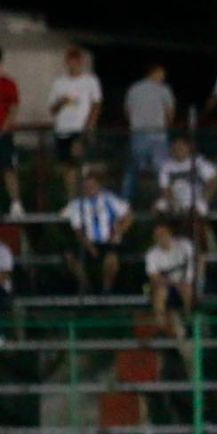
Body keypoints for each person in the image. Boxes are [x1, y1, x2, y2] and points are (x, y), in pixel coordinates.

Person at [61, 173, 131, 293]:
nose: (89, 189)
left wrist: (118, 232)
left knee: (111, 260)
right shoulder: (77, 204)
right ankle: (86, 287)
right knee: (70, 257)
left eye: (92, 186)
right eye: (86, 186)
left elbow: (129, 215)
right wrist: (88, 245)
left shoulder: (109, 199)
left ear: (99, 186)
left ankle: (106, 290)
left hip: (108, 241)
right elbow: (76, 228)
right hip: (86, 241)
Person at [48, 48, 102, 201]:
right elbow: (52, 109)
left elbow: (97, 103)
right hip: (63, 129)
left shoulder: (90, 80)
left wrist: (90, 124)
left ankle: (87, 197)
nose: (74, 65)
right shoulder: (59, 82)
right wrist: (61, 102)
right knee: (67, 168)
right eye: (71, 61)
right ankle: (72, 200)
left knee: (77, 159)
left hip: (81, 129)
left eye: (77, 61)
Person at [122, 64, 175, 201]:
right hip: (157, 134)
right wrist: (166, 127)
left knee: (134, 167)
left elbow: (127, 111)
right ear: (155, 73)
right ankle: (165, 199)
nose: (163, 77)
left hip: (138, 133)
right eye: (162, 74)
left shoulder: (134, 88)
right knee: (162, 169)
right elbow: (170, 112)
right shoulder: (163, 89)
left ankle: (126, 199)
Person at [156, 136, 217, 249]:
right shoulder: (166, 165)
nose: (178, 150)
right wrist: (173, 202)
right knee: (158, 207)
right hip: (175, 200)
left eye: (181, 147)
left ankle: (200, 247)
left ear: (188, 147)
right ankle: (165, 242)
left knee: (196, 212)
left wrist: (205, 198)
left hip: (196, 199)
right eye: (175, 147)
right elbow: (164, 188)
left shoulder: (198, 162)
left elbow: (213, 181)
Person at [144, 221, 195, 326]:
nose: (161, 237)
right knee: (160, 293)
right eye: (157, 235)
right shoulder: (151, 253)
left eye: (163, 233)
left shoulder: (185, 246)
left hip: (185, 283)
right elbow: (154, 277)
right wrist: (174, 284)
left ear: (169, 234)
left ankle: (189, 320)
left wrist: (184, 282)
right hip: (166, 286)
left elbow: (192, 266)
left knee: (187, 289)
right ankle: (161, 326)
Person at [0, 47, 22, 216]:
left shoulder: (8, 84)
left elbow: (14, 110)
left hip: (4, 134)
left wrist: (3, 129)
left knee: (8, 168)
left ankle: (16, 203)